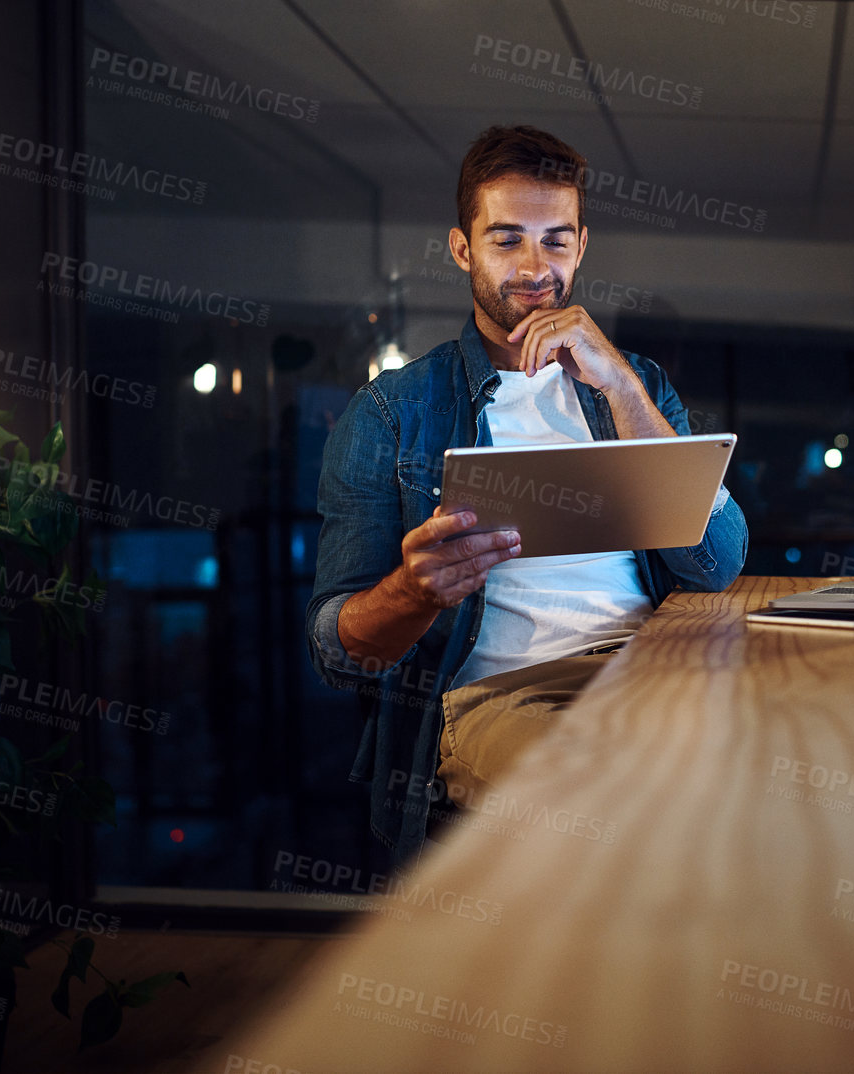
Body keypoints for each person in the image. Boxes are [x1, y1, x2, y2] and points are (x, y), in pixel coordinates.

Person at [307, 125, 748, 861]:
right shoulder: (390, 413)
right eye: (507, 240)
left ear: (582, 245)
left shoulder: (635, 384)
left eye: (556, 240)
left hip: (645, 674)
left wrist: (621, 386)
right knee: (600, 796)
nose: (534, 267)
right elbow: (336, 649)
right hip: (505, 698)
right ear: (462, 249)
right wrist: (415, 592)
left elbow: (718, 562)